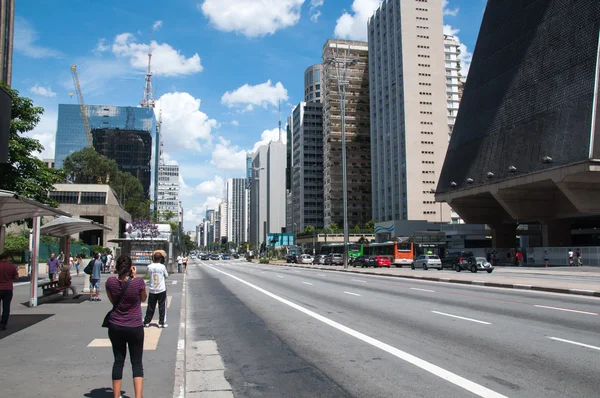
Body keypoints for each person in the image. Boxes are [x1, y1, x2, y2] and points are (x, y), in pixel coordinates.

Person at [105, 255, 147, 398]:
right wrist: (134, 277)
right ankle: (138, 396)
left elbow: (112, 300)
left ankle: (116, 396)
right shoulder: (138, 282)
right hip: (135, 326)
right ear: (130, 268)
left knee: (118, 361)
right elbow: (143, 298)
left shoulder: (110, 282)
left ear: (117, 267)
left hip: (116, 325)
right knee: (136, 363)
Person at [144, 252, 169, 328]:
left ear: (153, 258)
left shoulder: (149, 266)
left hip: (152, 289)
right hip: (161, 289)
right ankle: (161, 323)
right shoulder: (162, 266)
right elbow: (166, 275)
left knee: (151, 306)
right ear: (160, 259)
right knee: (162, 306)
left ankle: (147, 322)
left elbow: (148, 275)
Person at [0, 253, 19, 331]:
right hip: (8, 288)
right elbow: (17, 277)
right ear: (7, 258)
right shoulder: (11, 267)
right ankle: (3, 324)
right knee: (6, 307)